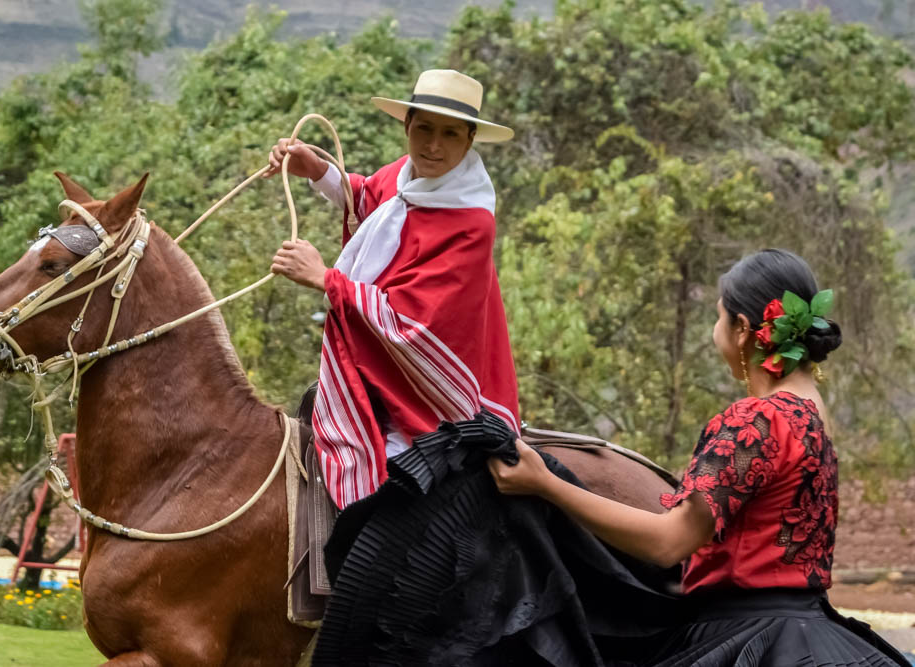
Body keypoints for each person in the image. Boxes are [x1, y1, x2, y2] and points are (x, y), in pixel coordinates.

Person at [488, 248, 910, 666]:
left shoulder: (755, 421)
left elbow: (669, 543)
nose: (716, 330)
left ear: (743, 328)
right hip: (814, 633)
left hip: (748, 638)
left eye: (718, 316)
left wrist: (547, 485)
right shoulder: (815, 415)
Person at [268, 69, 520, 509]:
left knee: (398, 493)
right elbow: (372, 198)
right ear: (407, 127)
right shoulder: (408, 177)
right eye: (423, 129)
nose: (433, 146)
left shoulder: (471, 222)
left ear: (469, 138)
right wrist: (317, 169)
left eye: (449, 134)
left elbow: (414, 326)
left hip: (432, 394)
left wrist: (324, 277)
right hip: (391, 363)